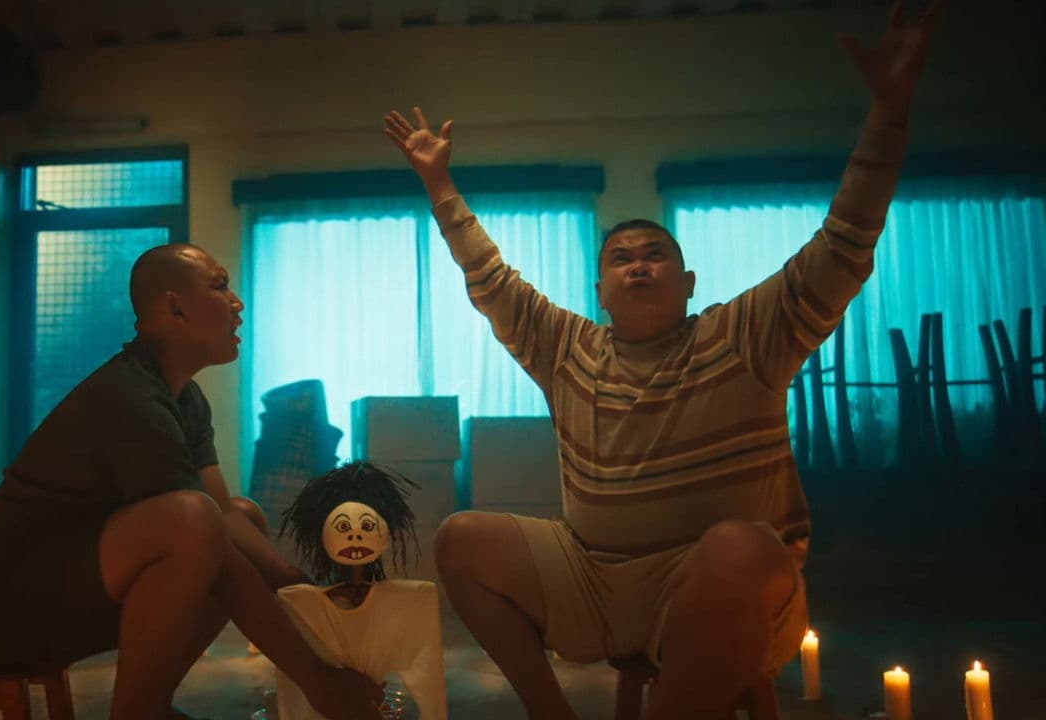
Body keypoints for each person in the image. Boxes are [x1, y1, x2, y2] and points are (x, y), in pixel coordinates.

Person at [382, 2, 940, 718]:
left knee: (742, 547)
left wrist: (889, 113)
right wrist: (438, 182)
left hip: (723, 588)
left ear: (688, 282)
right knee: (462, 541)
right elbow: (489, 276)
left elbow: (845, 243)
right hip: (593, 581)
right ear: (601, 290)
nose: (638, 265)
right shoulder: (568, 348)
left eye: (655, 255)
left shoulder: (744, 335)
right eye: (621, 258)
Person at [0, 243, 383, 720]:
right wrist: (317, 678)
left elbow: (224, 512)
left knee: (244, 516)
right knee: (192, 522)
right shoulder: (130, 398)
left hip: (76, 588)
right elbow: (207, 536)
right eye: (220, 286)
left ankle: (150, 704)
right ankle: (136, 713)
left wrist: (297, 583)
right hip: (2, 612)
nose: (237, 303)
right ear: (175, 310)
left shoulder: (186, 399)